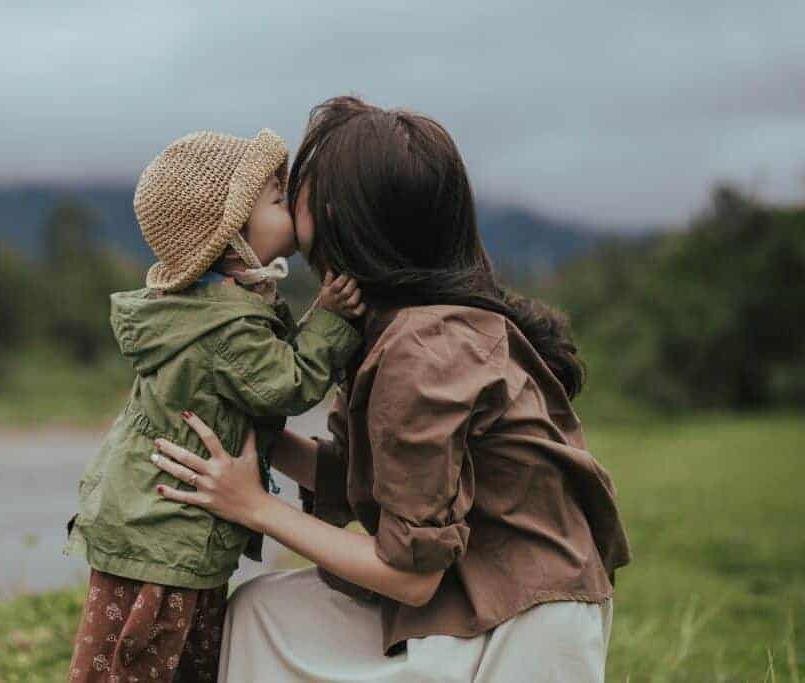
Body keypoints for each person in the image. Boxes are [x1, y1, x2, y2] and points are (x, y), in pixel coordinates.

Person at [150, 97, 632, 682]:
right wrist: (253, 434)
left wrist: (254, 505)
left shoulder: (422, 348)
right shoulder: (399, 323)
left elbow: (409, 572)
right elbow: (369, 481)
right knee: (262, 613)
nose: (284, 199)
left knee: (268, 619)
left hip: (521, 626)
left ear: (335, 212)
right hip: (478, 591)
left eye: (292, 191)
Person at [63, 128, 366, 682]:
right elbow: (284, 384)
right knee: (150, 662)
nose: (289, 204)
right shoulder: (224, 324)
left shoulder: (214, 308)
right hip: (164, 537)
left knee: (164, 660)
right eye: (276, 200)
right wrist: (331, 322)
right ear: (232, 239)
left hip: (159, 526)